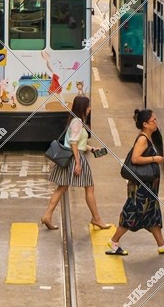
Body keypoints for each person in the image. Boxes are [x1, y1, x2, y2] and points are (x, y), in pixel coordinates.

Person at [106, 109, 164, 256]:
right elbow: (135, 159)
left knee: (153, 214)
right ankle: (114, 241)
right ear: (145, 124)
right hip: (141, 188)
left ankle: (162, 245)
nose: (156, 123)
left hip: (147, 187)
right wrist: (155, 159)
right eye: (153, 120)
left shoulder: (147, 137)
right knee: (132, 212)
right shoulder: (142, 139)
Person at [41, 96, 110, 231]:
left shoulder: (76, 121)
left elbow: (77, 143)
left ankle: (47, 216)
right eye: (88, 106)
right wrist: (78, 163)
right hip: (75, 158)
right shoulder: (77, 122)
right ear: (83, 108)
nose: (90, 109)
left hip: (71, 156)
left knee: (61, 188)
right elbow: (73, 143)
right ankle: (96, 219)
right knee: (89, 188)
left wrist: (91, 148)